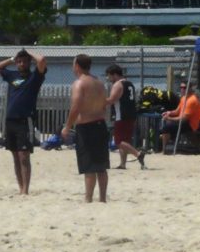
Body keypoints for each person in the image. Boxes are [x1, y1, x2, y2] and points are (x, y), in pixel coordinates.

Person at [0, 48, 47, 195]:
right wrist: (12, 58)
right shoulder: (12, 75)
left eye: (24, 61)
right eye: (19, 62)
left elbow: (42, 60)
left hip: (25, 120)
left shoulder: (35, 77)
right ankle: (20, 187)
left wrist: (28, 52)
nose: (21, 64)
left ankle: (25, 190)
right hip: (10, 120)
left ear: (29, 62)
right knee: (16, 156)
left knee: (24, 156)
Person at [62, 54, 110, 203]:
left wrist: (67, 126)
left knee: (89, 166)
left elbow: (75, 107)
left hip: (86, 126)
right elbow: (104, 104)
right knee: (101, 166)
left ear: (77, 66)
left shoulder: (79, 83)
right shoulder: (99, 83)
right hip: (100, 124)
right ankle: (102, 198)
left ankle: (88, 198)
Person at [104, 64, 145, 170]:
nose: (108, 78)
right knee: (125, 141)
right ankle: (123, 164)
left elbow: (111, 100)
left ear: (114, 75)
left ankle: (138, 154)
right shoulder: (129, 83)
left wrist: (98, 101)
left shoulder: (118, 85)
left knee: (118, 141)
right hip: (131, 114)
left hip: (122, 115)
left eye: (109, 76)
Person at [159, 82, 200, 151]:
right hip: (198, 121)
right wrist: (169, 113)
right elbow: (177, 111)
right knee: (172, 126)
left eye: (184, 88)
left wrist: (170, 118)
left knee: (170, 127)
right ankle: (195, 146)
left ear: (190, 88)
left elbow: (184, 118)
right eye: (181, 87)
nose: (182, 89)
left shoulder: (192, 100)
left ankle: (166, 148)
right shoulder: (183, 98)